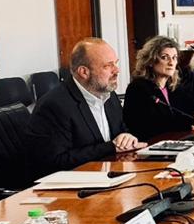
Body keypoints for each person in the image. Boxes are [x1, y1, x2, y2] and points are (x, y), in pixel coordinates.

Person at [30, 38, 145, 170]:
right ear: (84, 72)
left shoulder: (109, 95)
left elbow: (121, 131)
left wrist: (126, 138)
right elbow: (56, 161)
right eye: (108, 66)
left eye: (115, 63)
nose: (116, 70)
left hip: (111, 172)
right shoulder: (54, 106)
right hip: (75, 179)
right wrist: (110, 147)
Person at [123, 35, 194, 142]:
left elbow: (193, 105)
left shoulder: (172, 87)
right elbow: (155, 123)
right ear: (151, 61)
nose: (171, 63)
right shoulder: (138, 88)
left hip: (174, 141)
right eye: (165, 57)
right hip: (149, 144)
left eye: (174, 57)